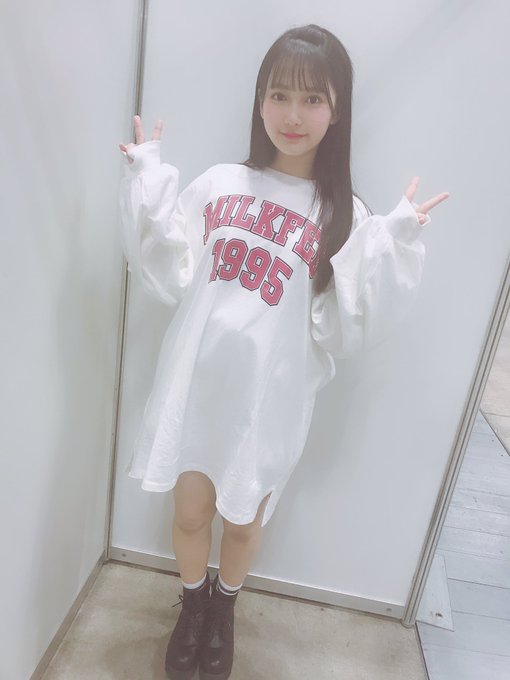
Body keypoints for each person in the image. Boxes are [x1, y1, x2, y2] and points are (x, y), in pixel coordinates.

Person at [118, 23, 449, 680]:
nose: (293, 115)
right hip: (197, 386)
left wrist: (393, 247)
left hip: (269, 401)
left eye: (312, 99)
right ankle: (193, 605)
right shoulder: (221, 183)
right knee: (190, 512)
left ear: (337, 109)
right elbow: (168, 266)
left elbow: (342, 327)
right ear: (260, 101)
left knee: (243, 522)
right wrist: (148, 181)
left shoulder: (343, 216)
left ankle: (225, 607)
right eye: (279, 95)